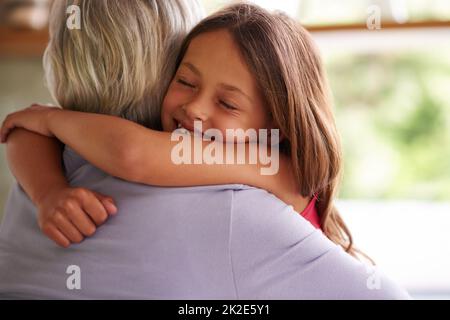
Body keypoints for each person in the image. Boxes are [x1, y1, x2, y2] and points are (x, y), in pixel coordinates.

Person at [0, 2, 410, 299]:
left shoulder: (269, 166)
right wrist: (48, 188)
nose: (194, 108)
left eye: (228, 104)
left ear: (276, 129)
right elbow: (24, 134)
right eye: (186, 81)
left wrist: (49, 122)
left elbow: (133, 153)